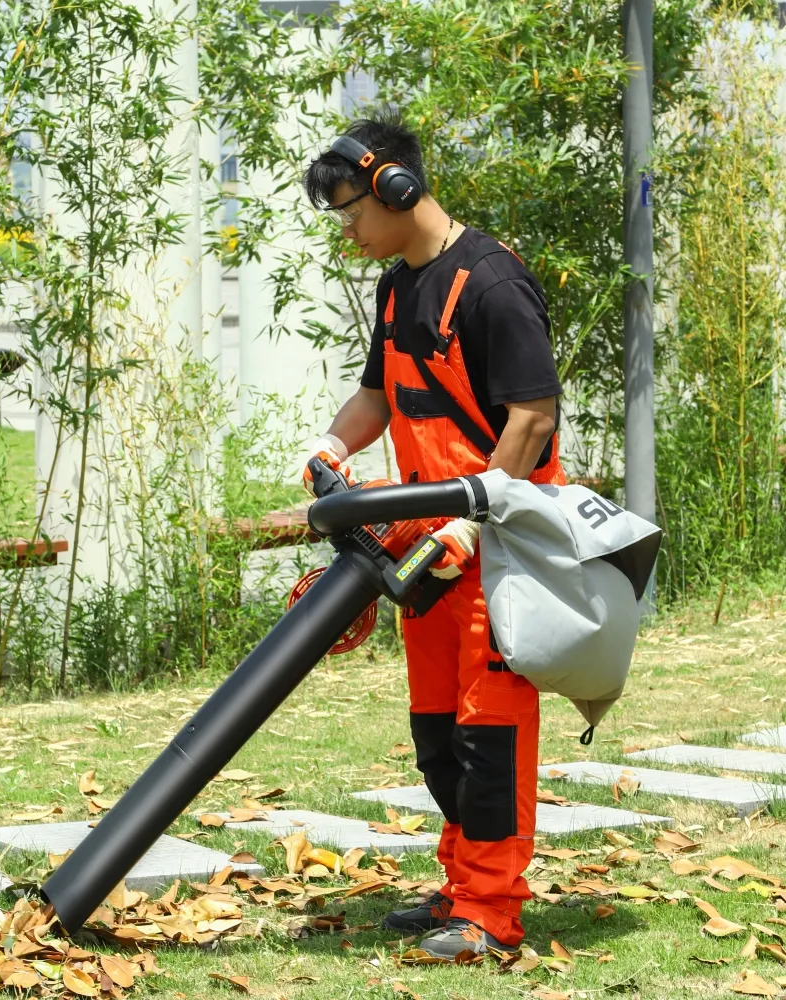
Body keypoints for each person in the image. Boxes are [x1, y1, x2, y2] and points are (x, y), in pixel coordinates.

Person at [300, 104, 567, 960]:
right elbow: (379, 395)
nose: (347, 232)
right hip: (429, 542)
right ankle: (459, 883)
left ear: (397, 187)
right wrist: (334, 444)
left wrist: (471, 513)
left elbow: (531, 417)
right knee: (437, 732)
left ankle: (492, 912)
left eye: (352, 214)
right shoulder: (397, 287)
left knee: (490, 733)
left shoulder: (492, 282)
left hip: (500, 542)